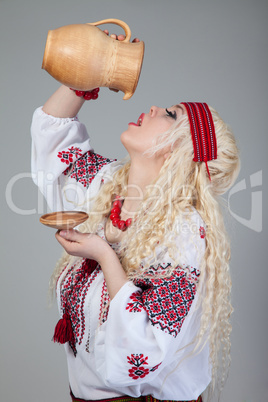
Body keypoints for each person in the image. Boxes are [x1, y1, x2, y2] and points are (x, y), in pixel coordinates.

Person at [31, 33, 240, 402]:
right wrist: (88, 74)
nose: (156, 108)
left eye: (172, 115)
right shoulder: (107, 185)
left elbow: (142, 350)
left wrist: (105, 255)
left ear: (181, 149)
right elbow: (52, 133)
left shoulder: (185, 232)